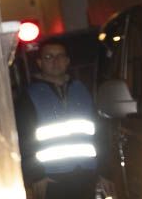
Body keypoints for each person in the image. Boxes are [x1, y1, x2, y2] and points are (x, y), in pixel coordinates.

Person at [16, 39, 106, 199]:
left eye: (60, 56)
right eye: (49, 57)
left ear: (67, 61)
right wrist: (36, 175)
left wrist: (104, 170)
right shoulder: (29, 95)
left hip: (86, 173)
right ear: (39, 62)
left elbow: (100, 132)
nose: (55, 61)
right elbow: (24, 138)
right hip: (52, 178)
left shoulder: (82, 90)